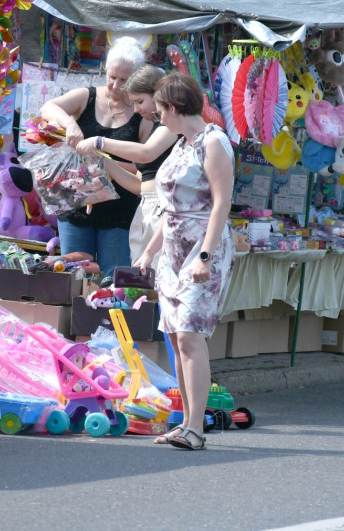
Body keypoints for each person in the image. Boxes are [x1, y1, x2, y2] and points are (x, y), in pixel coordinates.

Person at [134, 72, 235, 451]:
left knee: (191, 336)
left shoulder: (213, 143)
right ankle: (186, 422)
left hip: (203, 248)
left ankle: (197, 427)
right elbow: (172, 209)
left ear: (174, 109)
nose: (157, 117)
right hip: (174, 250)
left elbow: (221, 204)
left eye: (160, 110)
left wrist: (205, 257)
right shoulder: (182, 144)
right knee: (176, 339)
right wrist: (149, 250)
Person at [40, 36, 153, 276]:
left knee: (113, 278)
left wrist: (105, 164)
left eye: (124, 80)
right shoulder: (87, 96)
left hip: (119, 210)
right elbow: (48, 107)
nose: (114, 85)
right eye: (111, 77)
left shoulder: (142, 114)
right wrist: (70, 124)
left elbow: (144, 165)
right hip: (76, 203)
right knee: (72, 272)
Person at [76, 65, 178, 266]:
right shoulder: (156, 126)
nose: (138, 109)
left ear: (158, 93)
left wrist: (99, 142)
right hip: (147, 207)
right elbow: (139, 185)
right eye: (134, 103)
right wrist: (105, 162)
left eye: (140, 101)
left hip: (163, 208)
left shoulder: (172, 123)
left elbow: (146, 153)